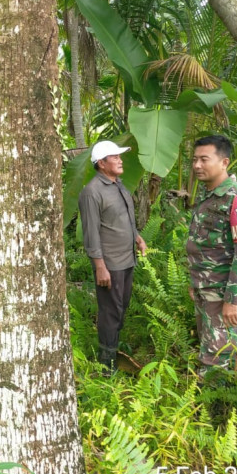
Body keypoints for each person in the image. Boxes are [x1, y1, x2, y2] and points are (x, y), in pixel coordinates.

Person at [186, 135, 237, 379]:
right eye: (195, 160)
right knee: (208, 349)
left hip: (221, 291)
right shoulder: (209, 194)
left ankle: (215, 411)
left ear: (224, 162)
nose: (197, 166)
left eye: (204, 159)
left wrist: (233, 300)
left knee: (217, 358)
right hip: (205, 287)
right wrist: (195, 283)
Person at [78, 140, 147, 372]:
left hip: (127, 259)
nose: (120, 160)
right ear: (101, 163)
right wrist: (99, 266)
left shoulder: (119, 185)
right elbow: (91, 231)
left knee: (121, 306)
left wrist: (137, 237)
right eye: (114, 157)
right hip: (110, 264)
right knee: (110, 310)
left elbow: (123, 218)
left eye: (119, 156)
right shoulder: (92, 192)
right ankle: (106, 363)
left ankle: (114, 348)